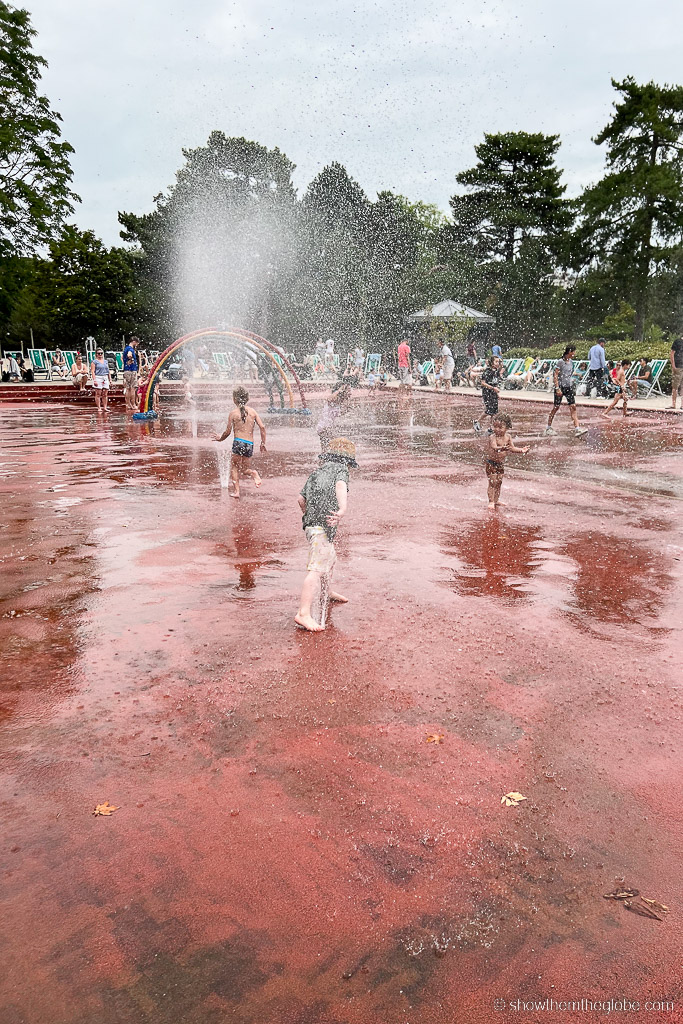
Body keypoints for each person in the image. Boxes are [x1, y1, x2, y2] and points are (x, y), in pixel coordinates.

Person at [295, 436, 358, 632]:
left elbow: (300, 499)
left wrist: (310, 516)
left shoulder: (317, 472)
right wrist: (342, 509)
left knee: (330, 559)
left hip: (311, 526)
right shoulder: (341, 470)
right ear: (347, 460)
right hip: (322, 529)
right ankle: (303, 613)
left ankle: (327, 591)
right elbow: (340, 486)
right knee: (316, 569)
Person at [213, 387, 267, 498]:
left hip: (238, 442)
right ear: (247, 398)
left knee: (234, 467)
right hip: (249, 444)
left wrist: (220, 438)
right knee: (245, 469)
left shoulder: (233, 413)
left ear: (234, 399)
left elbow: (227, 432)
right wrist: (263, 443)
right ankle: (253, 473)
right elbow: (262, 427)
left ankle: (237, 492)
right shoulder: (253, 412)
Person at [484, 412, 530, 510]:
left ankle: (496, 500)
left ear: (507, 427)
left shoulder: (508, 437)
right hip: (491, 463)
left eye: (500, 427)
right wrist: (501, 448)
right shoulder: (493, 437)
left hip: (500, 463)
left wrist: (521, 450)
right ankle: (491, 501)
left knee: (499, 481)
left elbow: (512, 448)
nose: (497, 429)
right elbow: (494, 447)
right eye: (495, 426)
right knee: (492, 482)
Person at [545, 346, 588, 437]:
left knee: (573, 407)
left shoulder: (571, 362)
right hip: (560, 387)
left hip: (568, 387)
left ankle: (577, 428)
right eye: (573, 352)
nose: (574, 354)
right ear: (569, 352)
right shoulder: (560, 362)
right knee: (556, 407)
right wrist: (557, 388)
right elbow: (555, 375)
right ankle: (548, 427)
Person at [317, 380, 352, 450]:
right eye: (348, 390)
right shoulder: (334, 399)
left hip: (328, 427)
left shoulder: (338, 402)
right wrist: (339, 390)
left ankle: (324, 458)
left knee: (327, 448)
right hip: (324, 427)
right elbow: (329, 399)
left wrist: (347, 403)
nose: (350, 393)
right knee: (329, 447)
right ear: (342, 390)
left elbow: (339, 413)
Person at [473, 356, 502, 432]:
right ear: (492, 363)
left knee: (494, 411)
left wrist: (496, 393)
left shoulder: (496, 371)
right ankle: (477, 421)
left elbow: (495, 383)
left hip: (493, 392)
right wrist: (493, 388)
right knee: (489, 410)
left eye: (498, 361)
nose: (498, 363)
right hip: (487, 393)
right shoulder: (487, 371)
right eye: (496, 361)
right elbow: (482, 383)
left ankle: (490, 428)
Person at [90, 347, 111, 412]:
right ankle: (99, 407)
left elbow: (108, 371)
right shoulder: (94, 362)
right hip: (98, 377)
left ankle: (105, 407)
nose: (100, 354)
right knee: (98, 393)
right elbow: (93, 371)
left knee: (105, 393)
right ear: (96, 354)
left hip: (105, 377)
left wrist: (110, 379)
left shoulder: (105, 361)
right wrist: (94, 380)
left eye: (101, 353)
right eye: (99, 353)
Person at [122, 336, 139, 412]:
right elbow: (129, 355)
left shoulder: (126, 348)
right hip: (132, 370)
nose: (137, 345)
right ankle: (133, 404)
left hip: (126, 370)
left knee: (128, 388)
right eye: (137, 343)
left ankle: (128, 404)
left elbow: (122, 357)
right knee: (133, 388)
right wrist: (131, 359)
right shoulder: (130, 349)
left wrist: (125, 363)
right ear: (134, 341)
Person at [669, 334, 683, 412]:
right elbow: (672, 353)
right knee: (675, 386)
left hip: (680, 365)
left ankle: (682, 405)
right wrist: (673, 365)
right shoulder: (677, 342)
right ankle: (673, 404)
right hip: (678, 366)